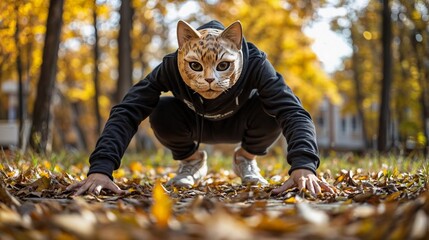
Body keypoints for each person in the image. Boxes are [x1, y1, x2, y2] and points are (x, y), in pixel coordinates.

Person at [67, 20, 334, 196]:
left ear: (238, 51)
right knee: (159, 108)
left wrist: (304, 166)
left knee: (274, 106)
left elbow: (293, 112)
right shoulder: (171, 65)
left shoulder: (255, 63)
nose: (209, 78)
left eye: (222, 66)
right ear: (183, 51)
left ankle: (246, 159)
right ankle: (191, 161)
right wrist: (101, 169)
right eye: (196, 66)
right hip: (192, 125)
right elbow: (127, 110)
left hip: (244, 124)